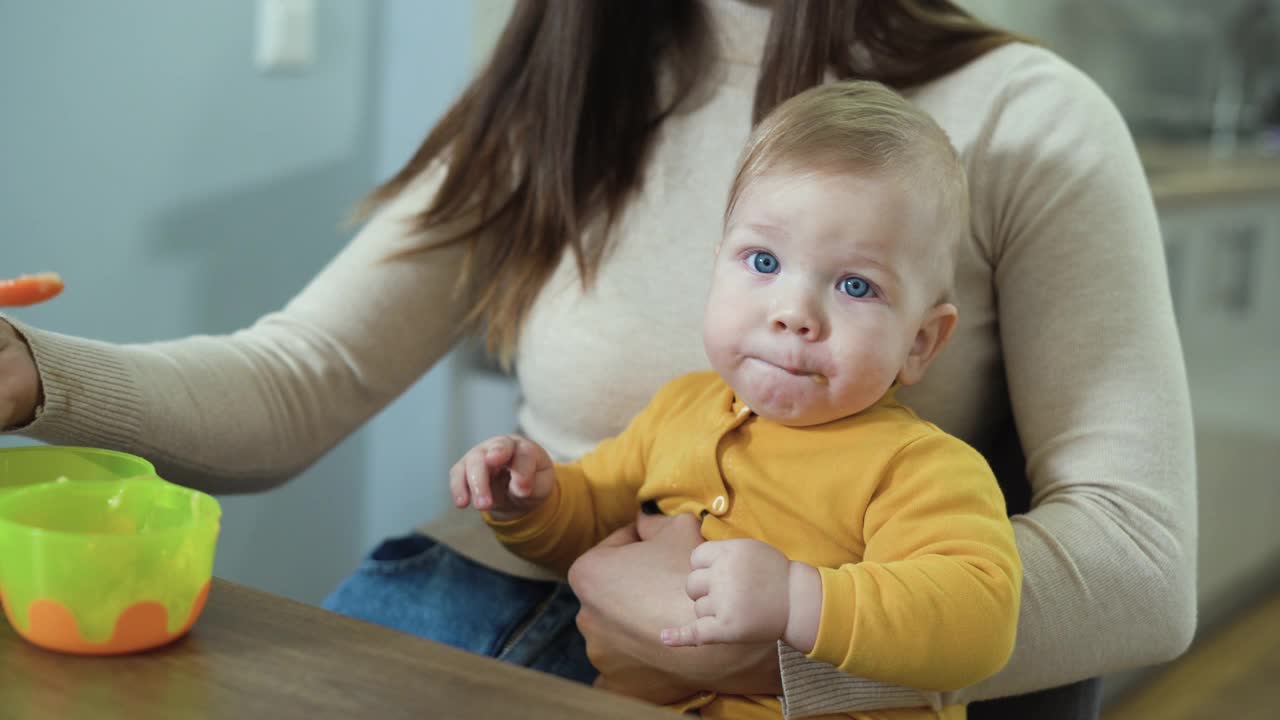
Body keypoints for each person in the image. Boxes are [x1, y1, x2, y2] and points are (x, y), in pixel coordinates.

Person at [0, 1, 1195, 718]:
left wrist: (790, 639)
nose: (789, 314)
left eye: (847, 286)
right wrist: (30, 370)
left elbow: (1140, 562)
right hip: (453, 604)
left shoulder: (1021, 118)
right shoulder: (557, 92)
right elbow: (299, 375)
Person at [450, 80, 1022, 720]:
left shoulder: (918, 467)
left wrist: (797, 599)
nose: (792, 313)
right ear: (716, 264)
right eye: (764, 262)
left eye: (855, 285)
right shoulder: (680, 409)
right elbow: (588, 519)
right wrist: (533, 498)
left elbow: (982, 617)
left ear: (920, 342)